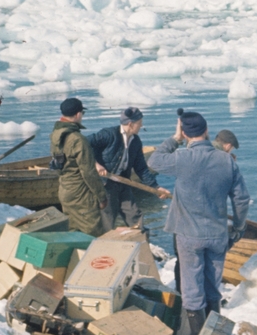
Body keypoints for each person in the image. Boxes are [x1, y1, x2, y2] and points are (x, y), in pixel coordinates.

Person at [148, 109, 250, 335]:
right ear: (206, 131)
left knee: (193, 291)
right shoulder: (226, 160)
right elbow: (242, 200)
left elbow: (153, 161)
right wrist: (238, 227)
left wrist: (175, 139)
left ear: (185, 133)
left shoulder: (182, 157)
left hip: (188, 235)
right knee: (212, 288)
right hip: (217, 234)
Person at [88, 106, 170, 232]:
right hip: (106, 183)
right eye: (139, 123)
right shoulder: (109, 134)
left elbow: (141, 168)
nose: (141, 126)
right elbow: (84, 144)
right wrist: (96, 164)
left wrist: (156, 187)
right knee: (107, 219)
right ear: (131, 124)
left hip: (123, 182)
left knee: (135, 217)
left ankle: (143, 245)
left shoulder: (136, 141)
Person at [49, 97, 107, 237]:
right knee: (94, 235)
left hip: (65, 191)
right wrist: (101, 196)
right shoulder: (78, 139)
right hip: (81, 196)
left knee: (74, 234)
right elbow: (88, 173)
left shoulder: (55, 135)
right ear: (78, 114)